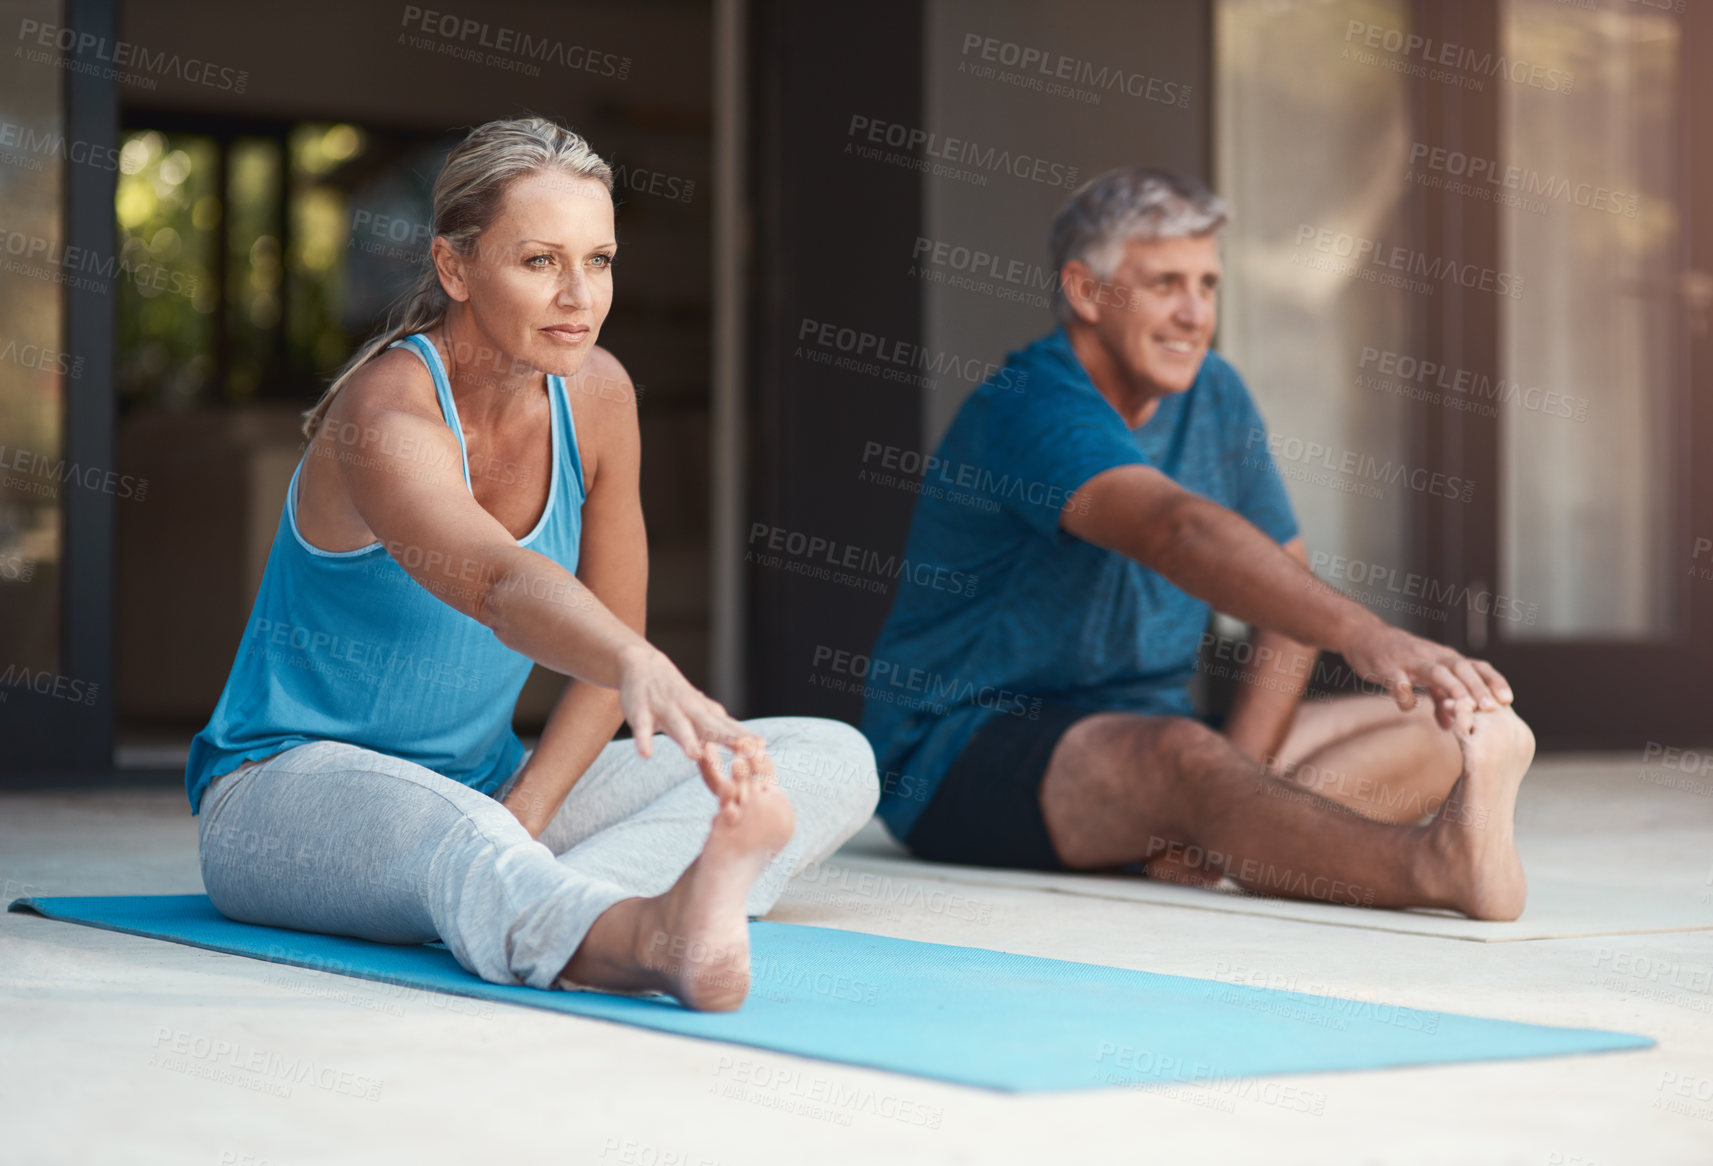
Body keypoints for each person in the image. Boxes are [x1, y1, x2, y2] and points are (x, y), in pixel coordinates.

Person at [185, 118, 878, 1011]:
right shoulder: (388, 414)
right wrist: (633, 659)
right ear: (455, 268)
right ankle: (635, 937)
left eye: (599, 260)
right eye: (540, 261)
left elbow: (607, 653)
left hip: (483, 786)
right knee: (460, 835)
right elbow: (498, 584)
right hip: (281, 797)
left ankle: (532, 892)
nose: (577, 297)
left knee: (825, 757)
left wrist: (528, 812)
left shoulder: (598, 395)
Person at [861, 167, 1535, 921]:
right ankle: (1429, 866)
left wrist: (1236, 782)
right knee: (1181, 759)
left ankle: (1231, 833)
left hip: (1156, 733)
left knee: (1435, 728)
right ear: (1085, 292)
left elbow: (1285, 601)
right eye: (1164, 284)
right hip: (963, 751)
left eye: (1207, 286)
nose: (1193, 314)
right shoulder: (1030, 405)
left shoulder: (1213, 392)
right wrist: (1365, 634)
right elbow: (1173, 530)